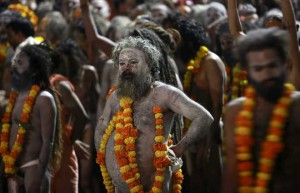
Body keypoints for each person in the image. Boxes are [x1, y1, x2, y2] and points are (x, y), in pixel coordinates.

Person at [94, 36, 213, 193]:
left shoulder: (164, 94)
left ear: (149, 65)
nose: (126, 68)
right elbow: (102, 127)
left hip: (154, 186)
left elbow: (203, 117)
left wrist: (178, 149)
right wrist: (105, 160)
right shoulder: (116, 96)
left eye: (133, 63)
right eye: (122, 64)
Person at [222, 28, 300, 193]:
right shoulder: (235, 112)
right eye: (258, 69)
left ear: (285, 64)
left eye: (272, 66)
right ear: (248, 71)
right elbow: (233, 170)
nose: (267, 74)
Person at [168, 13, 226, 193]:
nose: (176, 46)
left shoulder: (211, 62)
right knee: (195, 182)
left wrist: (208, 143)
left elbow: (218, 106)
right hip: (193, 130)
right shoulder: (193, 64)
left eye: (178, 41)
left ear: (188, 39)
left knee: (212, 181)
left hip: (210, 130)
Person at [0, 44, 62, 193]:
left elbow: (48, 142)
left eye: (20, 63)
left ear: (34, 70)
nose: (13, 66)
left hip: (34, 167)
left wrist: (38, 177)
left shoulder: (44, 98)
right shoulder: (15, 97)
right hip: (13, 170)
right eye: (14, 61)